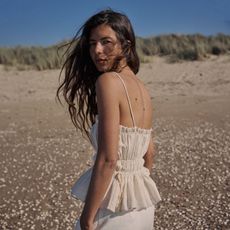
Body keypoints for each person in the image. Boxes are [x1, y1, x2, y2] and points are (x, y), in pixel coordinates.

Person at [57, 9, 161, 230]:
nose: (97, 50)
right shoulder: (142, 88)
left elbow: (108, 159)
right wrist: (135, 184)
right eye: (92, 43)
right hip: (142, 204)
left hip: (114, 210)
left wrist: (87, 218)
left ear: (126, 44)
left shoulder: (108, 82)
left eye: (106, 42)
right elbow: (149, 152)